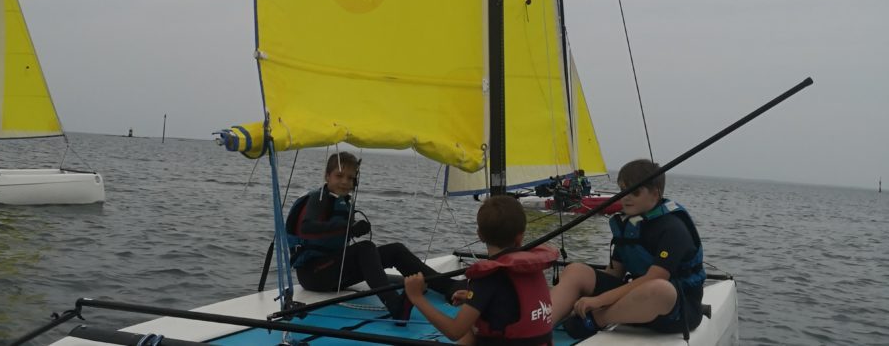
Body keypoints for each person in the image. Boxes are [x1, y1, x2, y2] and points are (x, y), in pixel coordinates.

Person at [285, 151, 463, 321]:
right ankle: (396, 307)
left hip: (334, 273)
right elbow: (307, 227)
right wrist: (348, 227)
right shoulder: (319, 198)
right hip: (314, 275)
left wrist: (352, 228)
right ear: (327, 176)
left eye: (350, 178)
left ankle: (449, 287)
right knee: (365, 248)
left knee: (395, 250)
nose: (345, 182)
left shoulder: (344, 203)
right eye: (339, 176)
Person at [551, 159, 706, 339]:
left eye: (635, 192)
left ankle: (595, 320)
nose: (626, 197)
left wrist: (598, 301)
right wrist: (585, 296)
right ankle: (543, 325)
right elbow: (614, 273)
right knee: (576, 270)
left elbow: (655, 278)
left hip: (676, 309)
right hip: (632, 301)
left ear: (655, 194)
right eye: (623, 190)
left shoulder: (674, 228)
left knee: (659, 288)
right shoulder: (630, 226)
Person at [405, 194, 557, 345]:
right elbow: (511, 300)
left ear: (480, 235)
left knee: (471, 328)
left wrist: (417, 297)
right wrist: (476, 299)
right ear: (520, 236)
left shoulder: (487, 277)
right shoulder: (531, 266)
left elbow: (454, 331)